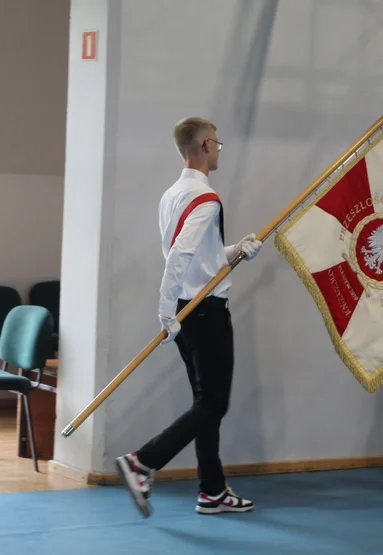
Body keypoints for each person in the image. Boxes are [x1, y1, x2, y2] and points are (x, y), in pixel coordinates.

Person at [115, 117, 262, 518]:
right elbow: (179, 255)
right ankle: (143, 462)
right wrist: (165, 312)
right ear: (202, 146)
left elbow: (199, 258)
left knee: (205, 403)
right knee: (213, 404)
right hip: (203, 311)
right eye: (216, 141)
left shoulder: (172, 195)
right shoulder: (206, 198)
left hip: (188, 310)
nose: (219, 148)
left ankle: (212, 490)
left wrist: (234, 252)